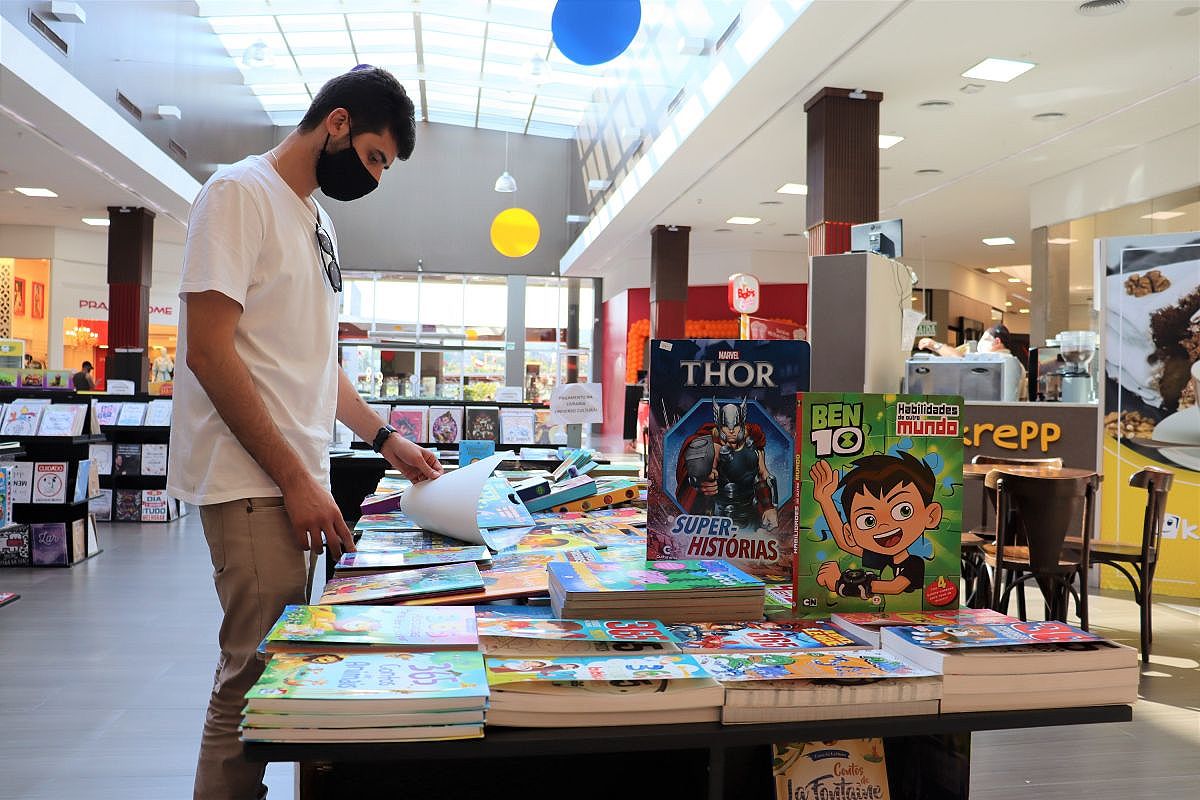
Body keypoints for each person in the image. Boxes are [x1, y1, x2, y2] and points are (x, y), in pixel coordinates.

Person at [166, 65, 444, 800]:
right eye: (378, 157)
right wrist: (296, 479)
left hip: (293, 482)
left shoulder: (317, 221)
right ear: (339, 124)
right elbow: (208, 350)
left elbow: (318, 363)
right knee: (249, 679)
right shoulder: (237, 194)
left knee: (277, 674)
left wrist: (387, 439)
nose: (377, 177)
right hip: (253, 484)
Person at [917, 323, 1028, 400]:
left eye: (984, 339)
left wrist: (935, 345)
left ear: (997, 341)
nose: (980, 343)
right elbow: (1022, 398)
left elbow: (958, 359)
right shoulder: (1019, 365)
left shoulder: (993, 359)